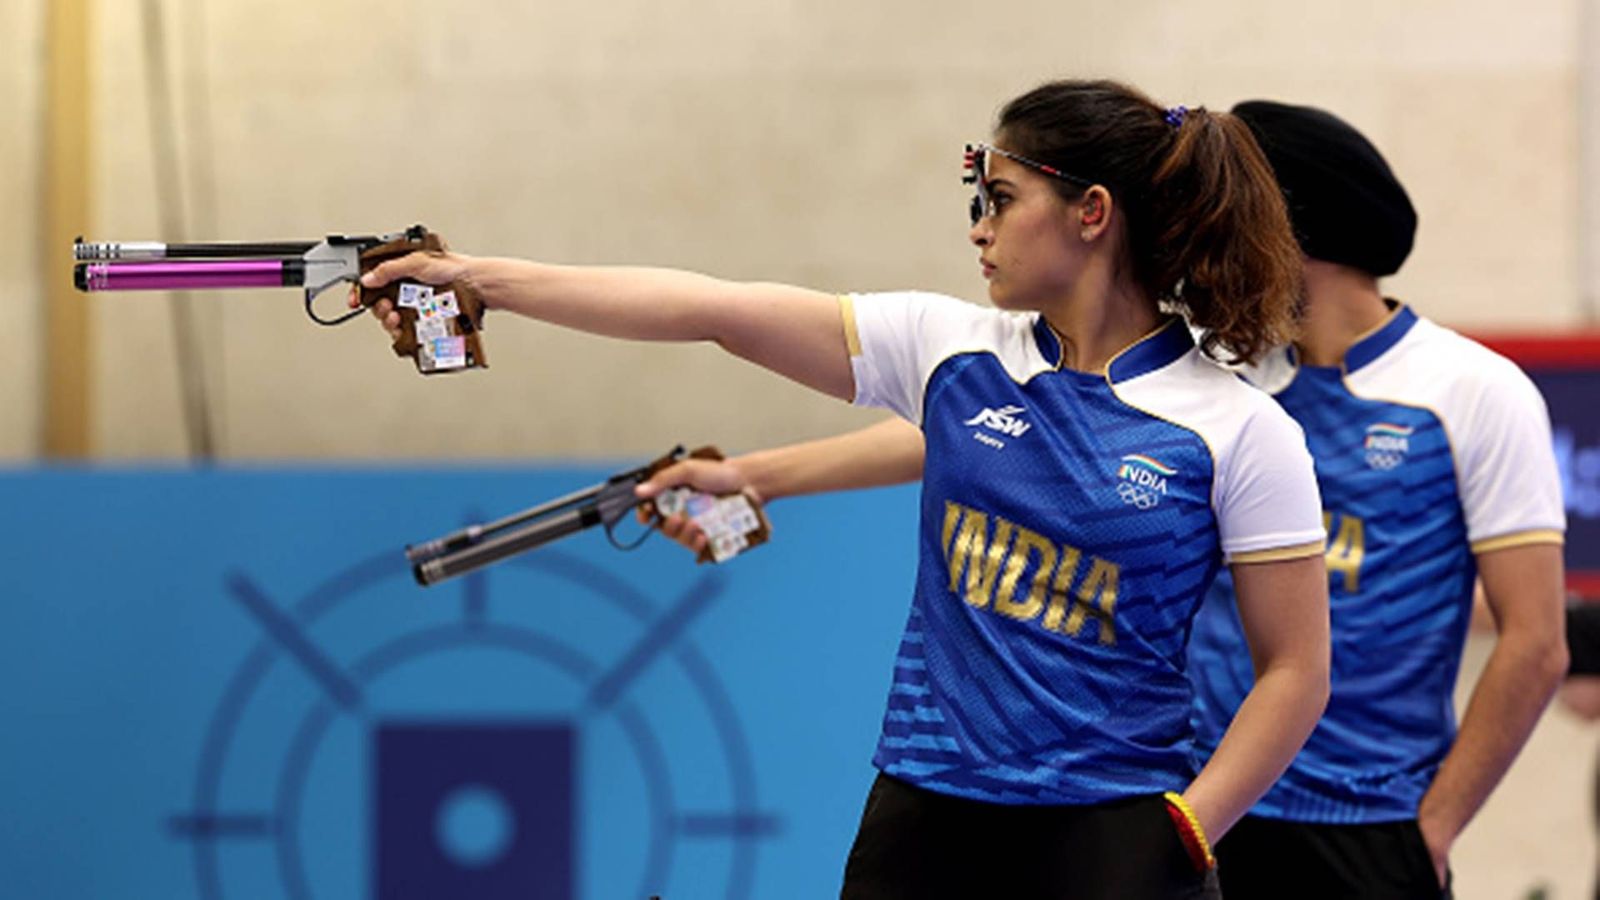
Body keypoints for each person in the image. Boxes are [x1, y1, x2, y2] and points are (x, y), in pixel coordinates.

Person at [357, 79, 1332, 899]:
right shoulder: (949, 350)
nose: (978, 228)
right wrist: (478, 278)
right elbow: (711, 310)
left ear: (1090, 213)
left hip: (1116, 835)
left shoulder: (1240, 432)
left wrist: (1188, 831)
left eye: (998, 197)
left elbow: (1293, 670)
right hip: (923, 811)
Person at [643, 99, 1571, 899]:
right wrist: (764, 476)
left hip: (1369, 822)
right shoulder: (1220, 368)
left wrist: (1434, 831)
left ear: (1295, 225)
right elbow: (982, 438)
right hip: (1202, 797)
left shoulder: (1472, 393)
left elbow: (1534, 642)